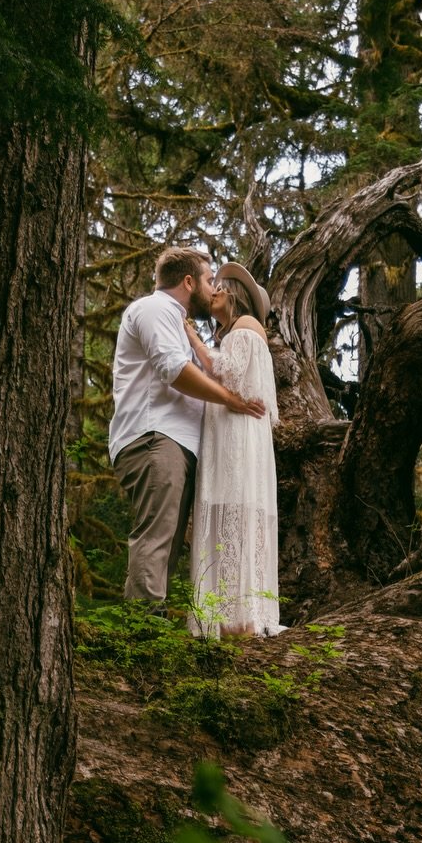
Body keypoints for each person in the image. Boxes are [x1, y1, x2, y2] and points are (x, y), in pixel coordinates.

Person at [109, 247, 266, 608]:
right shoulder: (155, 309)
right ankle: (144, 633)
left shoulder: (176, 320)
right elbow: (172, 369)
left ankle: (151, 631)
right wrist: (230, 399)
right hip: (154, 437)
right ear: (189, 281)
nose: (213, 289)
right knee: (157, 537)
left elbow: (204, 366)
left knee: (168, 543)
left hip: (174, 442)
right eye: (209, 280)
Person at [187, 262, 281, 638]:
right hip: (234, 432)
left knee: (235, 510)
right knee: (234, 512)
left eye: (221, 288)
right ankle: (229, 616)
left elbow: (227, 372)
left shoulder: (246, 327)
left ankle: (238, 618)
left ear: (237, 297)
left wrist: (192, 336)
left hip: (238, 435)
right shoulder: (234, 332)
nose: (215, 292)